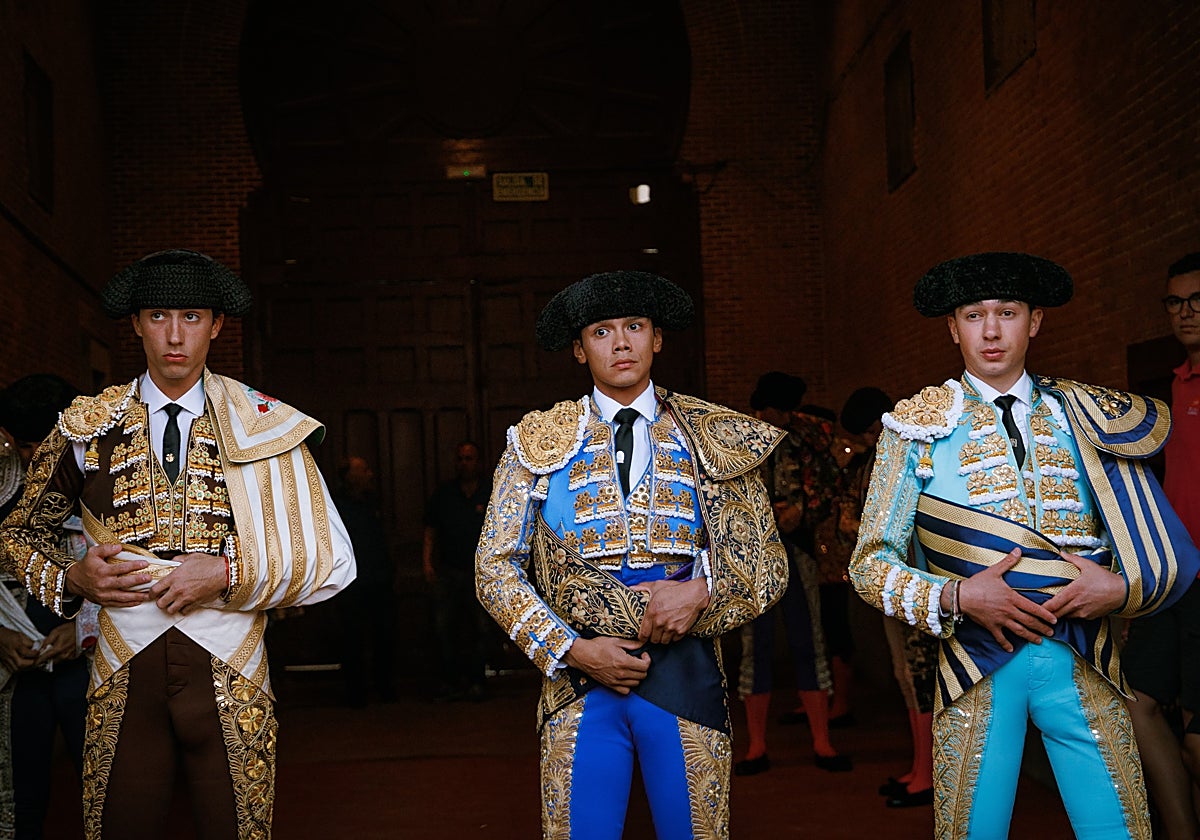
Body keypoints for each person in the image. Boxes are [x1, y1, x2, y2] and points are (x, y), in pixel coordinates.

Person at [0, 249, 356, 838]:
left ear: (216, 325)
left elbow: (332, 557)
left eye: (191, 317)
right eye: (158, 315)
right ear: (136, 323)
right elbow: (16, 532)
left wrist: (225, 572)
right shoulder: (88, 426)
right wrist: (71, 580)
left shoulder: (263, 422)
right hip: (121, 664)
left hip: (231, 663)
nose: (173, 335)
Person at [848, 252, 1200, 839]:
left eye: (1007, 313)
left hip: (1086, 658)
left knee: (1117, 831)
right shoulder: (913, 428)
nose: (990, 331)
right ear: (952, 326)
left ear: (1034, 321)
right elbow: (868, 566)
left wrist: (1117, 586)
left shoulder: (1089, 416)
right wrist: (958, 597)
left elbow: (1165, 548)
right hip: (975, 666)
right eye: (973, 315)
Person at [475, 270, 788, 839]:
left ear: (657, 339)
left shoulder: (712, 434)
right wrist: (571, 648)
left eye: (635, 327)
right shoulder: (537, 441)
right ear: (579, 348)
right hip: (578, 680)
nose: (621, 343)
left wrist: (704, 590)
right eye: (601, 331)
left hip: (687, 672)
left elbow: (763, 564)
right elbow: (494, 567)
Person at [734, 373, 850, 776]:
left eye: (784, 410)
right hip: (756, 556)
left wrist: (803, 512)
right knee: (756, 646)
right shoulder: (741, 441)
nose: (778, 417)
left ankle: (821, 741)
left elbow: (831, 485)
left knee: (810, 641)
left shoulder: (805, 438)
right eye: (773, 409)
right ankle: (757, 746)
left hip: (798, 548)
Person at [1121, 252, 1200, 839]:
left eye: (1198, 300)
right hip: (1170, 579)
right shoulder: (1171, 387)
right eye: (1175, 302)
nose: (1186, 313)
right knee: (1136, 702)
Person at [0, 374, 89, 840]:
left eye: (41, 443)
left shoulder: (105, 468)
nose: (31, 456)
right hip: (16, 666)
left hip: (89, 661)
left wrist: (85, 632)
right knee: (19, 799)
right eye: (23, 444)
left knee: (109, 789)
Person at [423, 441, 492, 700]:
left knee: (482, 630)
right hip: (449, 571)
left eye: (470, 458)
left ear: (479, 462)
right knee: (443, 629)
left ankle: (477, 681)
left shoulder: (489, 492)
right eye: (461, 458)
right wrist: (427, 563)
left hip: (480, 575)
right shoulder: (444, 494)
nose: (465, 463)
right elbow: (430, 531)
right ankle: (449, 681)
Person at [334, 455, 396, 706]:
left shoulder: (374, 501)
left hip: (379, 579)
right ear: (350, 476)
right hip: (352, 583)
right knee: (352, 638)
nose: (370, 474)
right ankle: (355, 692)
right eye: (364, 470)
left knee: (385, 636)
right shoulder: (337, 505)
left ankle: (385, 688)